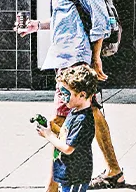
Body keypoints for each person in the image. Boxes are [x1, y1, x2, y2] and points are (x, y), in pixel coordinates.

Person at [16, 0, 124, 190]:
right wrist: (38, 26)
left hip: (76, 61)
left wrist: (95, 56)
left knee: (60, 124)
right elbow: (67, 18)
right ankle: (113, 170)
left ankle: (54, 188)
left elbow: (100, 15)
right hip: (67, 59)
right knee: (92, 115)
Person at [34, 64, 99, 192]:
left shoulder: (82, 120)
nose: (63, 99)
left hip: (76, 175)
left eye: (66, 94)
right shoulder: (74, 112)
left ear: (81, 95)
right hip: (68, 172)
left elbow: (68, 148)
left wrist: (49, 136)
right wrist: (48, 130)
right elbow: (66, 136)